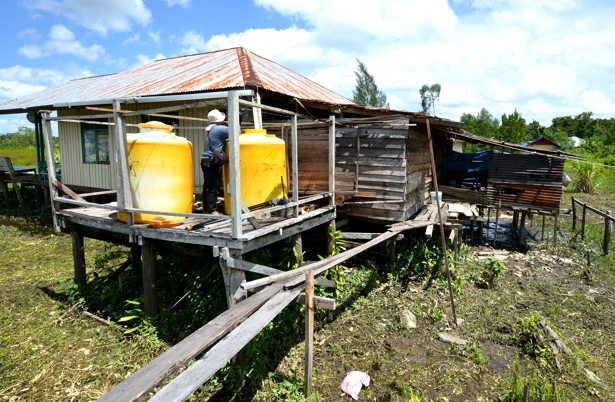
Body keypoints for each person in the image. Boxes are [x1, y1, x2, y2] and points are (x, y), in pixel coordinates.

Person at [201, 109, 229, 213]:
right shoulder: (220, 129)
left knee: (207, 185)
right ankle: (212, 210)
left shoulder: (209, 128)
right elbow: (237, 132)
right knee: (214, 185)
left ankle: (206, 208)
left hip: (205, 160)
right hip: (213, 161)